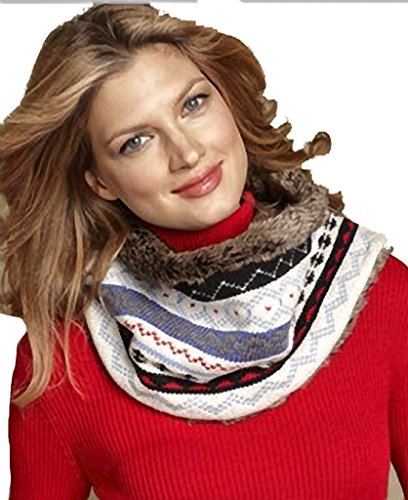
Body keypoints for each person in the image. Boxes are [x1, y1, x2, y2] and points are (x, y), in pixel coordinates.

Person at [1, 3, 407, 499]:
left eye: (193, 104)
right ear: (100, 180)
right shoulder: (62, 362)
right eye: (136, 141)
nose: (187, 153)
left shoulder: (381, 295)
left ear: (226, 99)